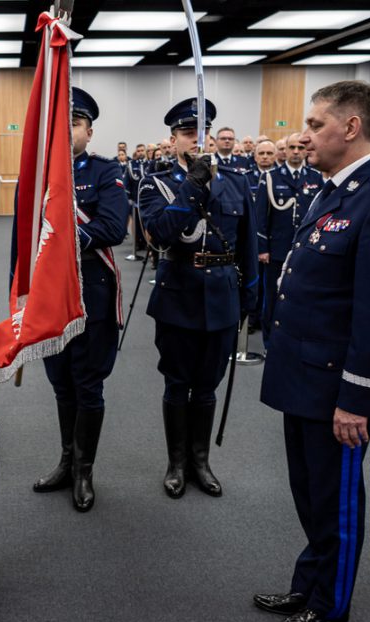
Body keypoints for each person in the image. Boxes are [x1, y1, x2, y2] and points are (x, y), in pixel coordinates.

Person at [257, 81, 370, 622]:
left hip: (336, 388)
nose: (304, 136)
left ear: (351, 128)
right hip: (302, 374)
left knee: (337, 501)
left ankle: (330, 605)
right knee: (310, 492)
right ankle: (310, 580)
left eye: (315, 124)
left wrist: (358, 398)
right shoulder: (332, 189)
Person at [139, 98, 258, 499]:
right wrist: (192, 185)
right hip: (178, 294)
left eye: (201, 132)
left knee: (208, 385)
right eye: (188, 133)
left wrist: (248, 298)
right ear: (173, 140)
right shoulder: (156, 182)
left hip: (222, 294)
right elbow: (161, 233)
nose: (196, 139)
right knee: (177, 383)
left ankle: (201, 461)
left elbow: (246, 244)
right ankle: (176, 463)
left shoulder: (238, 180)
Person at [27, 88, 127, 512]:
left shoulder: (106, 172)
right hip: (51, 293)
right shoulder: (39, 176)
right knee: (60, 383)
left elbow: (112, 226)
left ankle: (85, 471)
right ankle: (66, 461)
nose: (66, 131)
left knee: (88, 384)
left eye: (74, 124)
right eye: (60, 125)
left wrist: (63, 237)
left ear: (88, 130)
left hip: (91, 291)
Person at [253, 132, 324, 344]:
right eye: (291, 147)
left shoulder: (316, 177)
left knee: (301, 296)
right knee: (272, 297)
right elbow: (260, 217)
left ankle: (292, 340)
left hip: (305, 249)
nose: (295, 152)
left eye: (300, 148)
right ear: (284, 151)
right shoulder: (271, 177)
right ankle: (269, 342)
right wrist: (262, 248)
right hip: (277, 248)